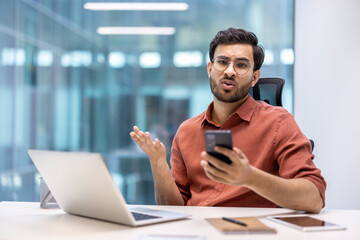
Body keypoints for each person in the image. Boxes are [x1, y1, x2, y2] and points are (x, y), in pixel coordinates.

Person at [130, 28, 326, 213]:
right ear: (210, 68)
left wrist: (250, 177)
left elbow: (314, 198)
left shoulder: (278, 122)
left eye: (241, 65)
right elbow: (174, 207)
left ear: (254, 77)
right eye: (222, 62)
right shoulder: (187, 131)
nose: (230, 71)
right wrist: (157, 162)